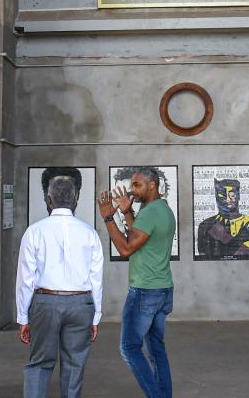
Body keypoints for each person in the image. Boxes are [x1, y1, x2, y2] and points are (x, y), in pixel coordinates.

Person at [17, 175, 104, 398]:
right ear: (75, 200)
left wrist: (23, 318)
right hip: (81, 303)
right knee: (74, 366)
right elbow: (96, 279)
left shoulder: (34, 232)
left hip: (45, 303)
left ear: (49, 200)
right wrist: (95, 317)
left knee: (39, 364)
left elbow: (26, 279)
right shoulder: (89, 233)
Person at [98, 167, 176, 398]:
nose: (133, 190)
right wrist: (128, 212)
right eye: (132, 185)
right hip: (162, 289)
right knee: (156, 350)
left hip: (145, 292)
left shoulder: (151, 212)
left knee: (129, 348)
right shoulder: (162, 210)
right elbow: (138, 237)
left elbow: (126, 248)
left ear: (152, 184)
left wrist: (108, 216)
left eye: (137, 185)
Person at [196, 178, 249, 259]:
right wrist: (238, 240)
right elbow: (205, 259)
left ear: (239, 195)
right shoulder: (206, 225)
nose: (228, 199)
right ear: (216, 196)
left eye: (232, 195)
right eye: (222, 195)